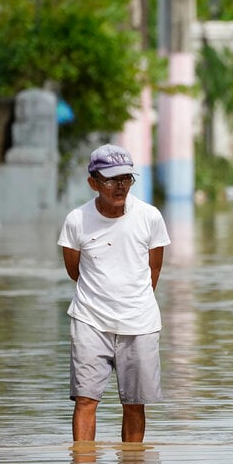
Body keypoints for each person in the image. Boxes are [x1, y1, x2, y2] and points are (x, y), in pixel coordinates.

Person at [57, 144, 171, 443]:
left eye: (126, 178)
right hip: (90, 320)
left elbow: (153, 271)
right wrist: (102, 297)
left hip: (140, 322)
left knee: (135, 404)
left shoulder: (150, 217)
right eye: (110, 179)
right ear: (93, 183)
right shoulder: (76, 221)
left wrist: (132, 301)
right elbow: (74, 271)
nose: (120, 186)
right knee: (85, 400)